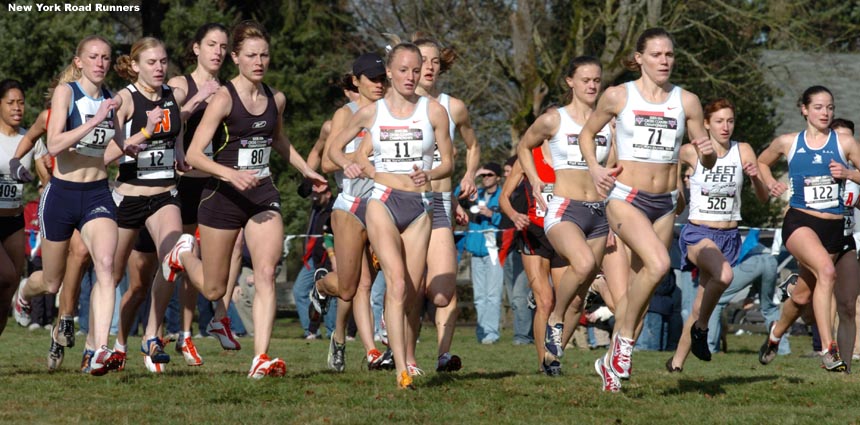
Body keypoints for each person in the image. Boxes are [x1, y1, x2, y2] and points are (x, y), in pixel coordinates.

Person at [180, 20, 327, 378]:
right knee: (214, 287)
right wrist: (230, 174)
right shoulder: (223, 98)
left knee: (265, 272)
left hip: (262, 194)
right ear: (236, 58)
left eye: (264, 55)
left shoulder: (276, 98)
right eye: (251, 55)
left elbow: (278, 141)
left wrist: (306, 170)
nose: (259, 61)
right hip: (223, 195)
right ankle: (181, 254)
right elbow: (194, 154)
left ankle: (260, 357)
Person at [578, 28, 714, 392]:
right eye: (656, 55)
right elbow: (586, 135)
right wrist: (595, 168)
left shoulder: (687, 101)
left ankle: (609, 365)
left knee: (645, 288)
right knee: (659, 264)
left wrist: (708, 151)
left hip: (666, 202)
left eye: (669, 55)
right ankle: (622, 344)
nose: (664, 61)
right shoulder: (618, 96)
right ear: (639, 58)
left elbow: (708, 157)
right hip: (626, 196)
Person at [327, 42, 453, 389]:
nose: (410, 76)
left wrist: (432, 174)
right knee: (395, 283)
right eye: (403, 70)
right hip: (381, 201)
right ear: (390, 73)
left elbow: (449, 161)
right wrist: (350, 165)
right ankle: (401, 369)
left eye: (416, 70)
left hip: (420, 207)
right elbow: (334, 149)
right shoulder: (372, 113)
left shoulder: (433, 112)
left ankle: (407, 358)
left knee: (411, 293)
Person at [23, 35, 126, 375]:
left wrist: (143, 136)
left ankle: (98, 349)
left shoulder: (113, 99)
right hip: (62, 194)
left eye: (106, 57)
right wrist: (94, 121)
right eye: (94, 57)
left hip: (97, 194)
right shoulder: (67, 92)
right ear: (79, 61)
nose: (101, 62)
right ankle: (24, 293)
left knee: (106, 264)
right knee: (51, 283)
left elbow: (116, 148)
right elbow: (53, 144)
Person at [518, 56, 615, 376]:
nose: (591, 85)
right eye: (585, 80)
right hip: (564, 209)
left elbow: (613, 167)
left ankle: (552, 358)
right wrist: (533, 178)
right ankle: (555, 320)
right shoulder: (554, 120)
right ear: (570, 82)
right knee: (584, 264)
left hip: (598, 213)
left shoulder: (608, 123)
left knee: (580, 295)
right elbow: (523, 146)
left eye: (596, 80)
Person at [758, 86, 860, 372]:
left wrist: (849, 173)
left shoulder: (846, 143)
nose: (825, 113)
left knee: (823, 300)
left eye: (829, 107)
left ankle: (776, 334)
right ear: (804, 109)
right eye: (818, 107)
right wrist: (770, 183)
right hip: (801, 222)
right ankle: (829, 350)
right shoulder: (788, 142)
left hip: (837, 231)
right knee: (827, 272)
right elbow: (762, 162)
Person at [665, 98, 769, 371]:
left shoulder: (742, 150)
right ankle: (701, 330)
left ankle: (675, 363)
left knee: (700, 304)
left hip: (729, 236)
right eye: (719, 121)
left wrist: (757, 177)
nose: (726, 127)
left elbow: (763, 198)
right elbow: (670, 177)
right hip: (698, 233)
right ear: (707, 124)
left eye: (730, 121)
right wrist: (676, 190)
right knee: (724, 276)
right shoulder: (691, 150)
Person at [167, 22, 245, 362]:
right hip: (182, 181)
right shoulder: (179, 84)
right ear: (196, 48)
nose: (218, 51)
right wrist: (200, 98)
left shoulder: (229, 90)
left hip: (214, 182)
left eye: (223, 46)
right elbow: (170, 122)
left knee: (235, 247)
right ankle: (176, 333)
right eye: (211, 44)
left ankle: (216, 318)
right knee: (183, 260)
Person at [310, 53, 392, 372]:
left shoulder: (394, 112)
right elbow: (328, 162)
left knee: (377, 279)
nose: (379, 85)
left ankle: (373, 350)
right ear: (356, 81)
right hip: (351, 204)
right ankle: (323, 291)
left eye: (383, 78)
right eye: (373, 79)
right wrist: (352, 160)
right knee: (350, 285)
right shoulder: (346, 115)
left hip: (383, 204)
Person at [408, 34, 479, 373]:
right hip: (404, 203)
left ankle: (442, 355)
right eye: (424, 60)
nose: (430, 67)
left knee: (441, 291)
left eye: (436, 61)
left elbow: (473, 145)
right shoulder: (397, 107)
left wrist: (469, 176)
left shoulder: (454, 107)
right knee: (407, 284)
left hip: (440, 201)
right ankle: (404, 355)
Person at [499, 144, 568, 374]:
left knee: (566, 303)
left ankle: (554, 354)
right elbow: (504, 198)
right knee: (545, 302)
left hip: (561, 232)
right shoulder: (527, 159)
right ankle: (544, 363)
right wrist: (514, 215)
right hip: (533, 233)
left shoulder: (569, 154)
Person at [1, 79, 35, 337]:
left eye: (21, 103)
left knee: (7, 292)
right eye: (10, 102)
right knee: (8, 276)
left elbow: (46, 173)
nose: (17, 108)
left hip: (14, 220)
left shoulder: (30, 138)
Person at [463, 162, 504, 345]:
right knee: (479, 296)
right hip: (475, 250)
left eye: (489, 175)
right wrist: (472, 173)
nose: (486, 178)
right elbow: (457, 194)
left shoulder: (503, 196)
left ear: (498, 177)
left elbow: (510, 219)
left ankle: (491, 334)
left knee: (493, 294)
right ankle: (481, 332)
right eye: (483, 175)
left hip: (494, 250)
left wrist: (492, 215)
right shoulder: (475, 194)